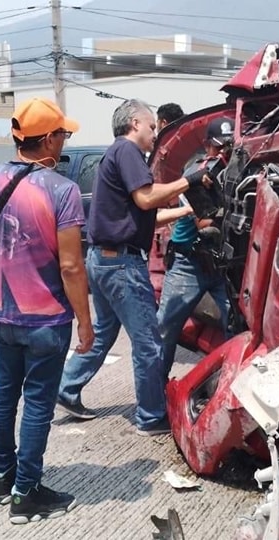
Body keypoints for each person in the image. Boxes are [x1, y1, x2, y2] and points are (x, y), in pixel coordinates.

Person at [0, 97, 94, 524]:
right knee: (38, 403)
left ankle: (2, 479)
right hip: (46, 319)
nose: (65, 140)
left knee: (4, 394)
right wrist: (85, 321)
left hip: (2, 314)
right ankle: (27, 494)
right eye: (63, 134)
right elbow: (71, 265)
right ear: (47, 140)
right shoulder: (62, 190)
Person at [58, 99, 211, 436]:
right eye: (151, 126)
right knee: (149, 343)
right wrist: (192, 180)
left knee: (103, 335)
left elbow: (146, 216)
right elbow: (145, 199)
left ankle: (65, 389)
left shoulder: (116, 155)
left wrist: (187, 212)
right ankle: (151, 417)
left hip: (103, 260)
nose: (155, 133)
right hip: (122, 265)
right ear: (133, 124)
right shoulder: (127, 151)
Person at [156, 118, 236, 378]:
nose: (224, 153)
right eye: (219, 147)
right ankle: (154, 398)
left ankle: (228, 386)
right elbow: (204, 223)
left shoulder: (238, 170)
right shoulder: (197, 173)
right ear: (207, 146)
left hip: (221, 266)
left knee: (237, 327)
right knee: (165, 329)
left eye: (229, 147)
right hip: (188, 264)